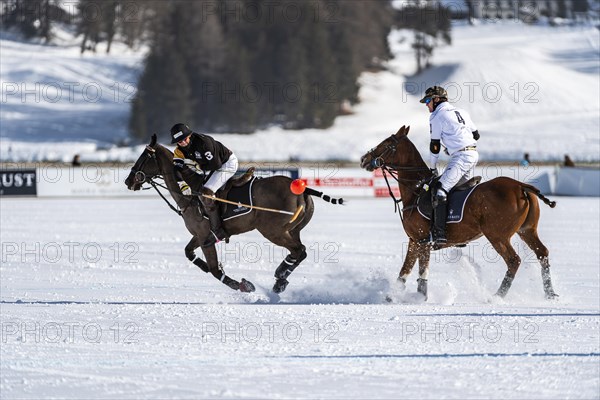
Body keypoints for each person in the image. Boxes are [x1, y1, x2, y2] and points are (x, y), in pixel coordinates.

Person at [420, 86, 480, 245]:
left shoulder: (436, 116)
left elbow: (434, 145)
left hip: (461, 156)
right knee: (458, 189)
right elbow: (476, 134)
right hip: (473, 153)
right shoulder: (462, 112)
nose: (426, 105)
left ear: (436, 99)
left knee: (440, 191)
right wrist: (456, 142)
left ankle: (439, 235)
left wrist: (433, 167)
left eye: (427, 101)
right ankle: (460, 233)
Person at [170, 123, 239, 247]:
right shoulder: (179, 151)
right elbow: (176, 169)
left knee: (206, 192)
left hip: (226, 164)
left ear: (189, 135)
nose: (183, 143)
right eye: (179, 142)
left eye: (184, 139)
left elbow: (216, 165)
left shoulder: (204, 143)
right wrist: (182, 184)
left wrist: (198, 167)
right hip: (211, 167)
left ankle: (219, 231)